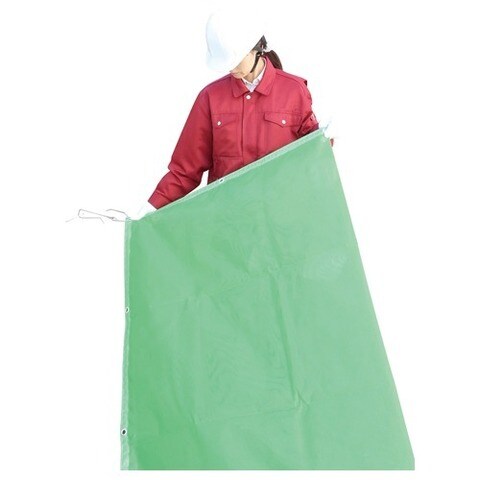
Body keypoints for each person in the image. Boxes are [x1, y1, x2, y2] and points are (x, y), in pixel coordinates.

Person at [134, 8, 333, 219]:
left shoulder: (294, 91)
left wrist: (325, 141)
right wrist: (151, 207)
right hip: (228, 221)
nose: (230, 68)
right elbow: (185, 169)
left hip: (280, 218)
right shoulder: (210, 98)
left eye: (235, 60)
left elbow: (312, 156)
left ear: (256, 49)